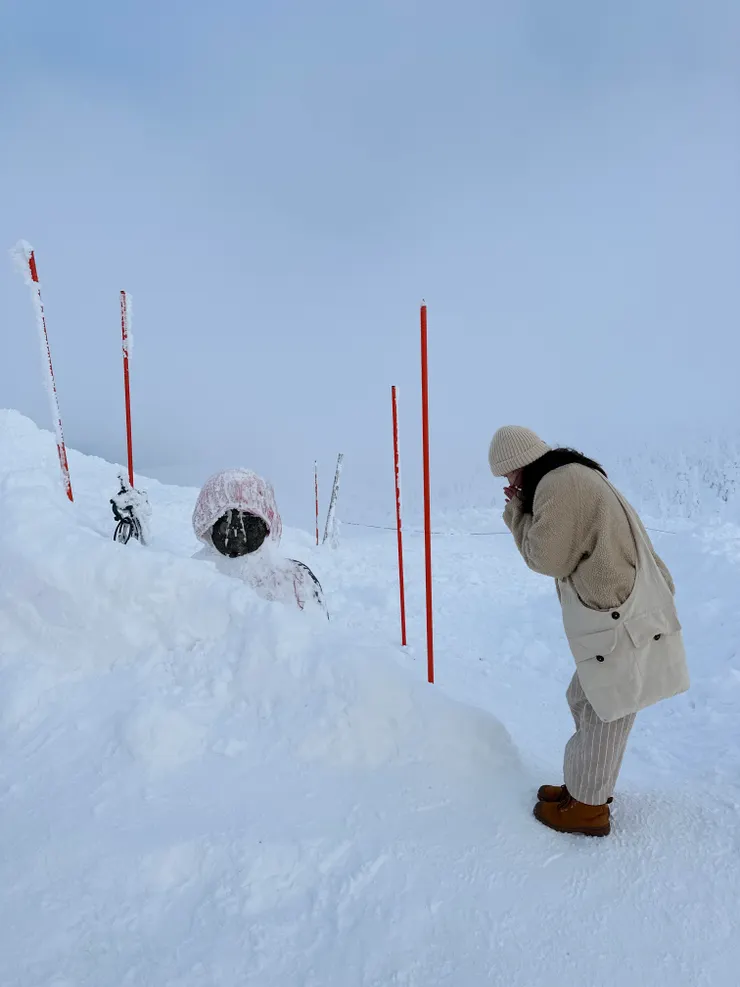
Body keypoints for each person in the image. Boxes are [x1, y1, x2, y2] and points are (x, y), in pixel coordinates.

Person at [488, 426, 689, 837]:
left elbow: (546, 558)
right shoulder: (571, 473)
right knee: (584, 696)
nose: (508, 485)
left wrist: (516, 514)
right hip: (616, 603)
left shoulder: (558, 485)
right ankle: (583, 785)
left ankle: (588, 807)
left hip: (613, 608)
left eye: (508, 476)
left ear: (519, 465)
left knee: (605, 706)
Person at [192, 468, 326, 614]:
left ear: (267, 525)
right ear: (208, 527)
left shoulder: (297, 581)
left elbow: (318, 633)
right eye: (225, 528)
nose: (238, 542)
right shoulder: (192, 579)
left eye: (249, 526)